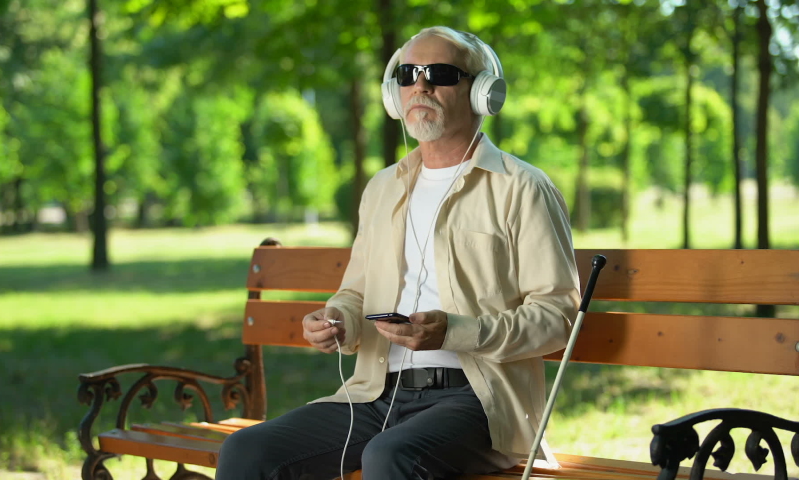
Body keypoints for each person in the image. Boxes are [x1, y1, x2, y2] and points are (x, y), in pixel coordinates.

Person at [215, 26, 581, 480]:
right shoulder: (383, 188)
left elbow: (558, 317)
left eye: (440, 73)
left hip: (478, 400)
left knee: (389, 457)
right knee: (247, 450)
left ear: (482, 92)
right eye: (408, 74)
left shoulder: (522, 188)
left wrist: (456, 332)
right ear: (395, 94)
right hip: (374, 394)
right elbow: (356, 290)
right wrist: (338, 318)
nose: (420, 86)